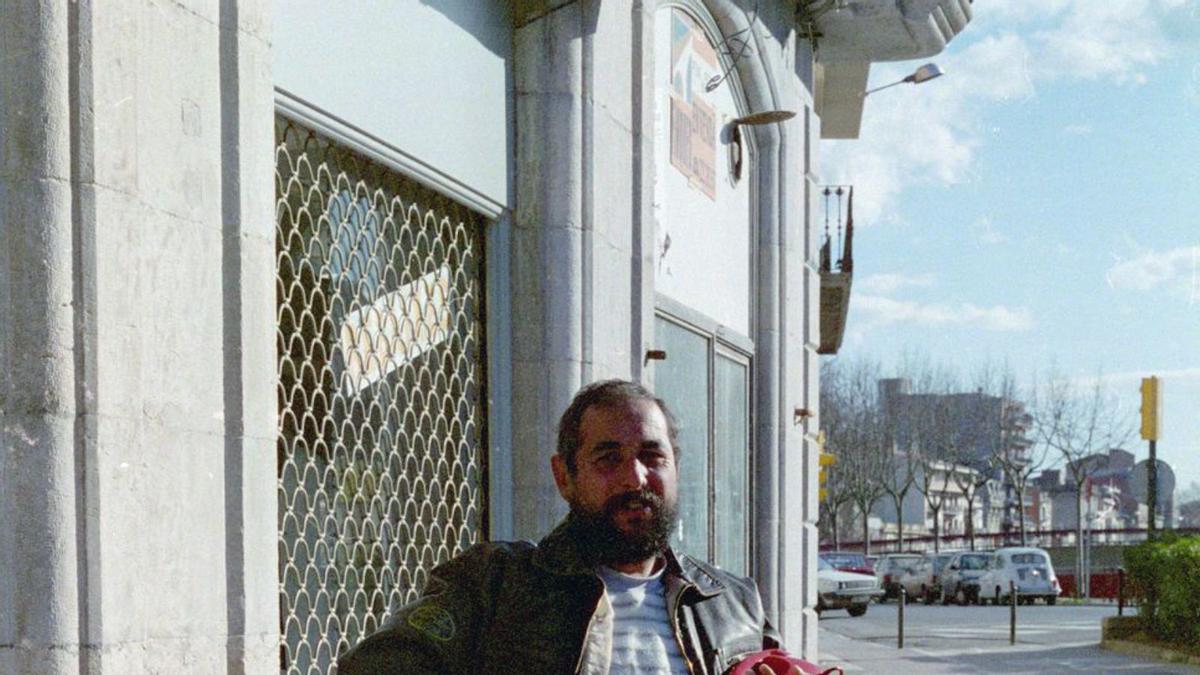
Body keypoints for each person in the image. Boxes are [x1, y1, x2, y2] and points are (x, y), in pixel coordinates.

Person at [338, 379, 790, 674]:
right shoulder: (494, 586)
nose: (635, 478)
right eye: (608, 458)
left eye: (653, 457)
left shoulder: (732, 604)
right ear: (564, 476)